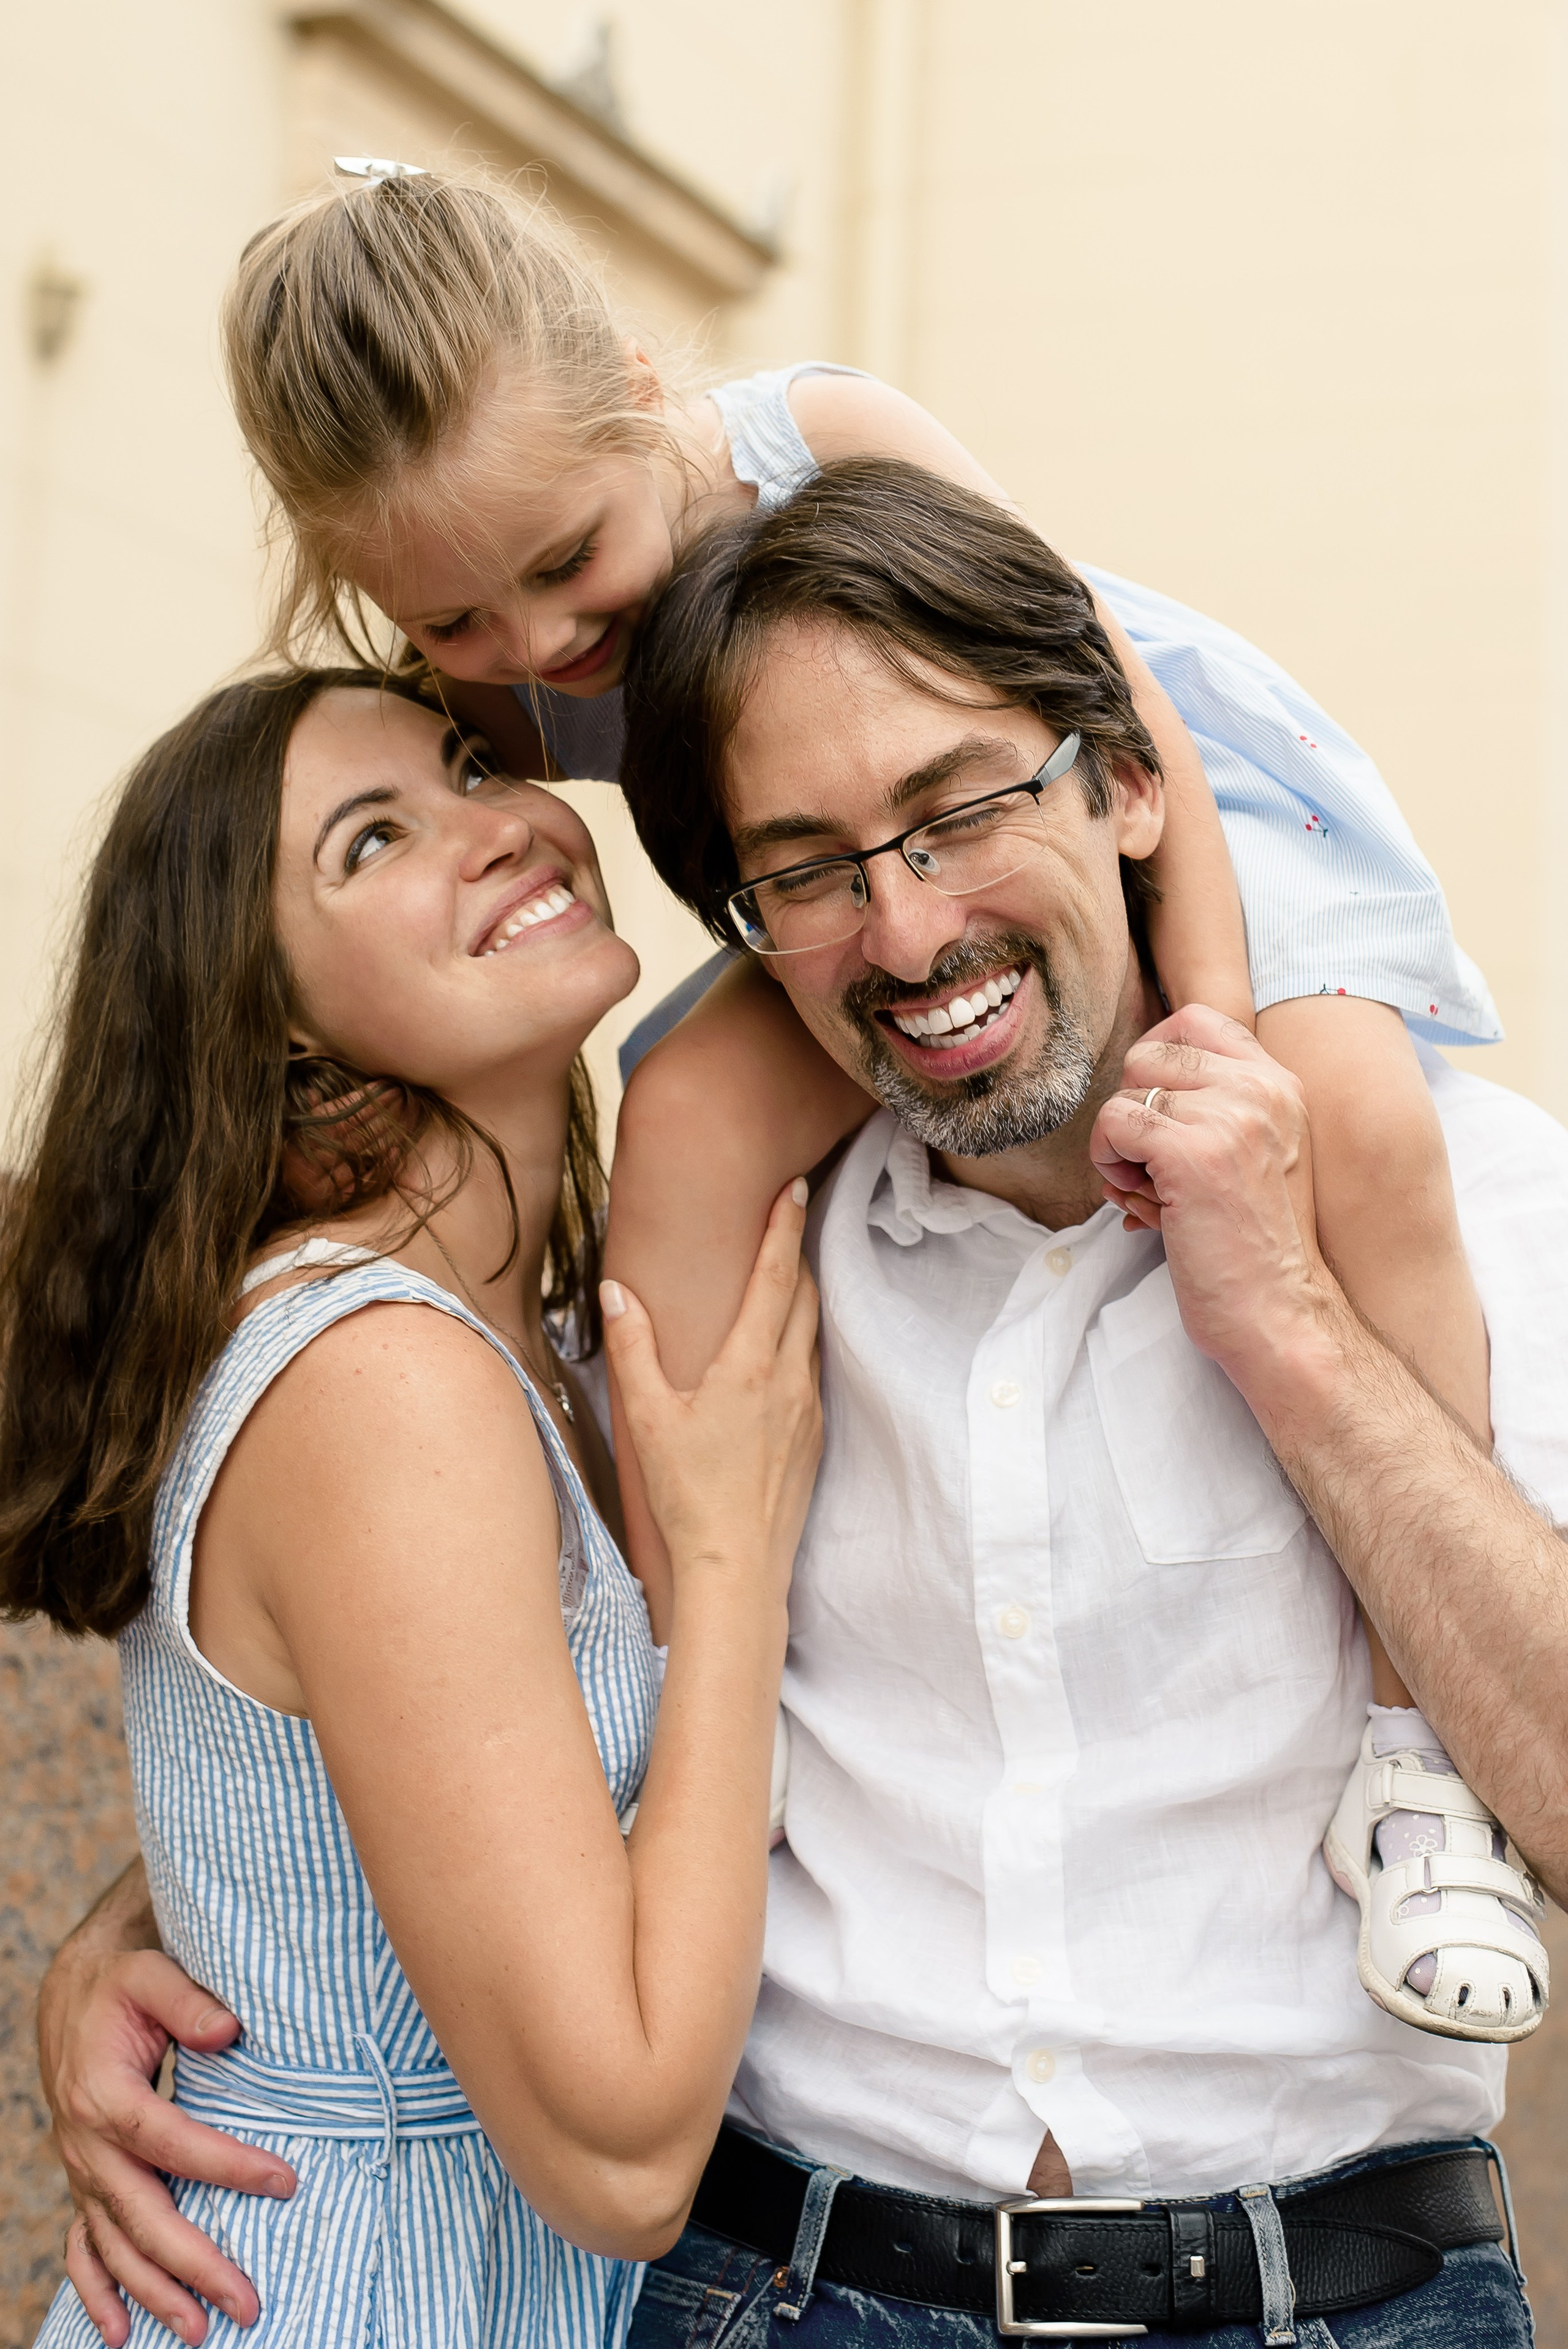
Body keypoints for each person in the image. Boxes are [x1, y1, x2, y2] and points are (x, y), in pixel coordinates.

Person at [220, 161, 1506, 1978]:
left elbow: (1104, 703)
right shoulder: (489, 639)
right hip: (847, 902)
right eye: (454, 630)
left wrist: (1211, 1033)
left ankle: (1419, 1767)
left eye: (566, 565)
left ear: (646, 397)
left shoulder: (827, 430)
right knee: (680, 1113)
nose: (530, 651)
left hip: (1102, 822)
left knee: (1351, 1109)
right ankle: (682, 1725)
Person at [609, 462, 1558, 2346]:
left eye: (958, 808)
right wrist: (170, 1924)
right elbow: (492, 1689)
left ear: (1128, 779)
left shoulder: (1464, 1194)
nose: (900, 929)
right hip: (785, 2285)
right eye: (804, 867)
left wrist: (1286, 1319)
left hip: (1345, 2296)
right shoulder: (732, 1262)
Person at [2, 668, 820, 2347]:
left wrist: (144, 1916)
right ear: (277, 1024)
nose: (500, 823)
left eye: (467, 767)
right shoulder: (384, 1384)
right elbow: (621, 2153)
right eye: (373, 839)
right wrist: (732, 1555)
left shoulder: (523, 1345)